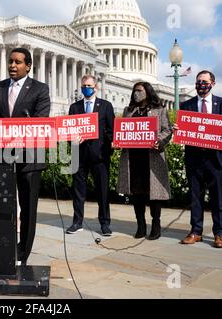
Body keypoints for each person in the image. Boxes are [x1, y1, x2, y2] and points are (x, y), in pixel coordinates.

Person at [0, 47, 50, 265]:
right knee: (3, 204)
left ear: (28, 66)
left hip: (29, 157)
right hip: (2, 157)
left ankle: (23, 253)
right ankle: (5, 247)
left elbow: (40, 120)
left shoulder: (40, 89)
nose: (12, 65)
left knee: (28, 208)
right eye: (10, 61)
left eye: (18, 62)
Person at [176, 70, 222, 248]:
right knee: (195, 197)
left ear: (212, 83)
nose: (200, 85)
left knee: (217, 198)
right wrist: (178, 129)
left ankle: (219, 234)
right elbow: (185, 128)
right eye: (198, 82)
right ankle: (196, 232)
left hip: (215, 159)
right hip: (195, 159)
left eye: (204, 82)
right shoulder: (187, 105)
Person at [116, 82, 172, 240]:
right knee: (137, 193)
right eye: (134, 91)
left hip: (151, 157)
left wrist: (158, 140)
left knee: (154, 194)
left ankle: (156, 224)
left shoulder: (159, 110)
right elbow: (122, 130)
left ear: (148, 92)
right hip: (133, 158)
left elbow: (167, 129)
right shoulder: (129, 110)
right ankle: (140, 225)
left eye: (139, 90)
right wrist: (118, 140)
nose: (136, 93)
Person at [66, 74, 115, 236]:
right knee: (78, 192)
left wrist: (109, 146)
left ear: (96, 87)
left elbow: (111, 131)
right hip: (79, 155)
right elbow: (68, 131)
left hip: (99, 156)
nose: (85, 88)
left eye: (88, 85)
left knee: (102, 192)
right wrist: (72, 140)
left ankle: (105, 224)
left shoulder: (106, 106)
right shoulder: (75, 107)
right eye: (83, 85)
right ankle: (77, 222)